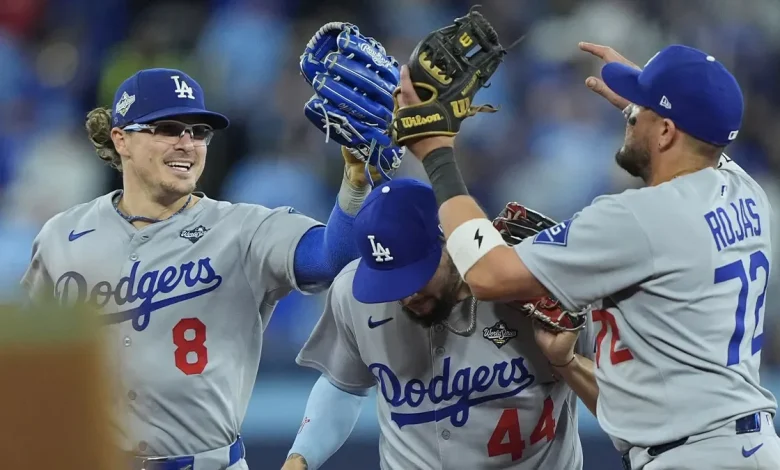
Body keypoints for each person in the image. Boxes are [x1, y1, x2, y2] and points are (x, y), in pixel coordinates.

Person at [393, 42, 780, 470]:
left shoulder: (639, 218)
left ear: (667, 131)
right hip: (744, 445)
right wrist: (654, 102)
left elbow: (488, 274)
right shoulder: (747, 192)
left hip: (698, 458)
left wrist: (436, 153)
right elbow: (705, 137)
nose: (630, 114)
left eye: (641, 109)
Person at [20, 67, 385, 470]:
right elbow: (29, 365)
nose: (187, 144)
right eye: (168, 128)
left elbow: (331, 258)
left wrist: (354, 185)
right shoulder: (62, 235)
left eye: (198, 132)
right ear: (121, 139)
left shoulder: (244, 229)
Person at [280, 178, 598, 470]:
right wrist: (301, 456)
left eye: (416, 275)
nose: (406, 295)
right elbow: (343, 383)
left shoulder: (538, 284)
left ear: (448, 239)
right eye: (390, 282)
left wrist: (566, 362)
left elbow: (626, 400)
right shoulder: (354, 295)